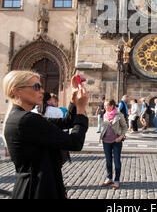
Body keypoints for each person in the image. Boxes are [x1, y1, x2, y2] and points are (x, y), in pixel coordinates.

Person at [2, 70, 89, 199]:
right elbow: (75, 142)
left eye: (41, 87)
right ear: (16, 91)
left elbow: (66, 122)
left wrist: (73, 101)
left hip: (33, 187)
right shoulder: (27, 120)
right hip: (38, 190)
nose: (42, 91)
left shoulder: (20, 117)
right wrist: (81, 110)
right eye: (36, 87)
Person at [100, 99, 127, 190]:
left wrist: (120, 137)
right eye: (104, 105)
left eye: (106, 105)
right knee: (108, 161)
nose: (105, 107)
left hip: (116, 141)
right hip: (106, 141)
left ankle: (116, 180)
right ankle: (109, 178)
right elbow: (103, 126)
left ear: (112, 106)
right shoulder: (105, 115)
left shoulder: (119, 115)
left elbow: (124, 127)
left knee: (116, 161)